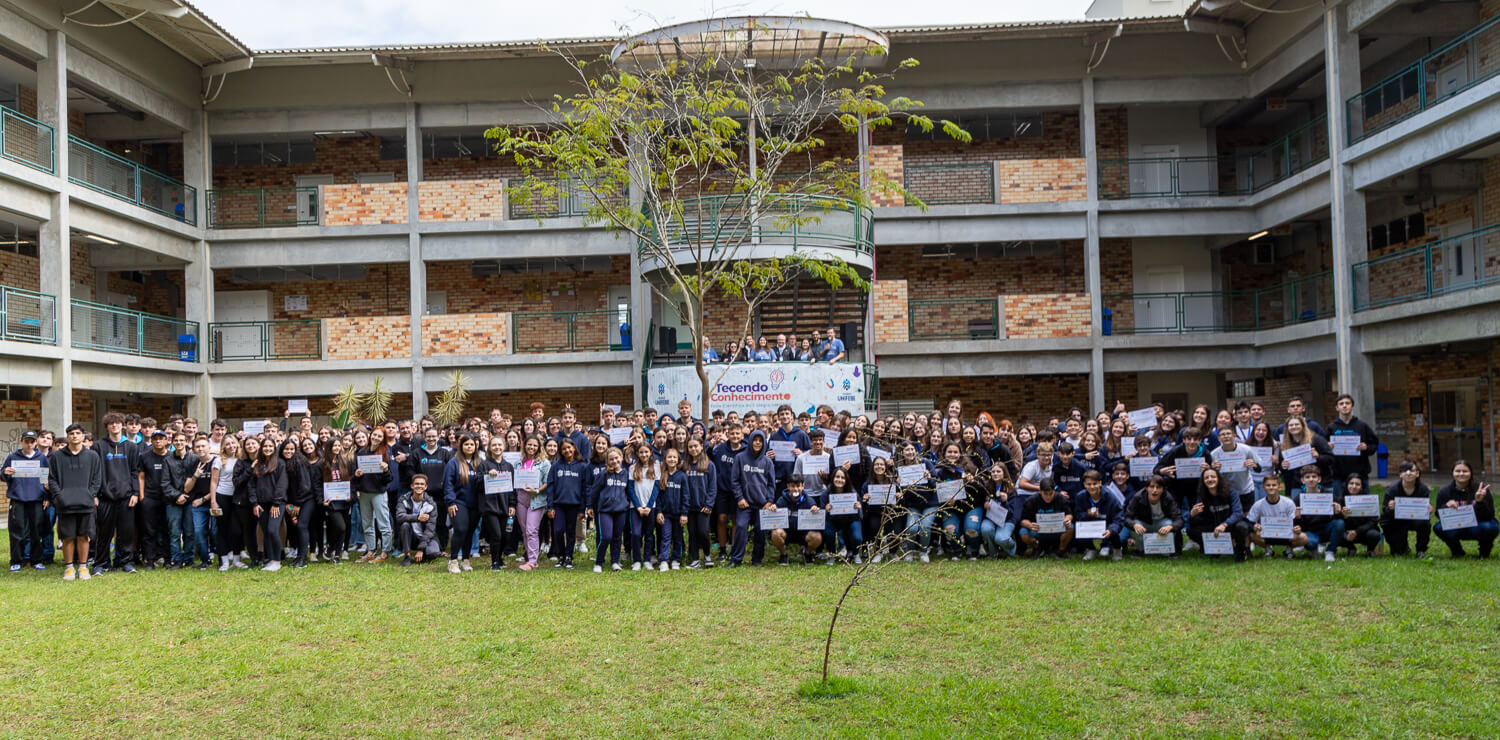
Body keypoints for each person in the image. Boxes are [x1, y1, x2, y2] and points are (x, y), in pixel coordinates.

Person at [49, 425, 101, 581]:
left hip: (85, 504)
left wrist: (89, 495)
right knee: (67, 537)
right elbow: (52, 479)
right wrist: (59, 496)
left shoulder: (92, 456)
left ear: (83, 436)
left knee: (84, 536)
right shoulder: (57, 457)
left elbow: (97, 480)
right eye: (71, 434)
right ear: (67, 436)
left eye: (78, 433)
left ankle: (83, 567)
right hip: (65, 504)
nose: (74, 436)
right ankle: (69, 567)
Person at [91, 413, 141, 574]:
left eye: (118, 423)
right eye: (111, 424)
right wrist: (95, 495)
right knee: (103, 533)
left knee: (126, 533)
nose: (115, 426)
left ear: (123, 425)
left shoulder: (132, 447)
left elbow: (135, 472)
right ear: (107, 426)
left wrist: (135, 493)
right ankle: (101, 563)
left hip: (126, 497)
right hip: (105, 497)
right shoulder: (98, 446)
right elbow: (94, 472)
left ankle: (125, 562)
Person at [4, 430, 51, 572]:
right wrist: (5, 472)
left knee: (36, 530)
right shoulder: (13, 457)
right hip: (18, 499)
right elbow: (3, 474)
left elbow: (45, 480)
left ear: (35, 442)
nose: (29, 444)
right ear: (21, 442)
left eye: (32, 441)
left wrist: (46, 497)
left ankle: (36, 560)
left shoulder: (41, 458)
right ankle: (16, 561)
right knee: (17, 531)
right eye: (26, 441)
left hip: (36, 499)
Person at [1431, 459, 1496, 559]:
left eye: (1465, 471)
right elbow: (1439, 516)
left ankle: (1484, 552)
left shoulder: (1481, 490)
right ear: (1453, 473)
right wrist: (1446, 506)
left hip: (1477, 525)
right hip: (1457, 526)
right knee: (1438, 527)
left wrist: (1479, 502)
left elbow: (1489, 516)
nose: (1461, 474)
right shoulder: (1445, 491)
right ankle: (1457, 551)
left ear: (1471, 473)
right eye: (1457, 471)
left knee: (1490, 526)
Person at [729, 429, 775, 567]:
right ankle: (736, 560)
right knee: (741, 527)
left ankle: (757, 559)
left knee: (760, 530)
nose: (757, 443)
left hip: (762, 504)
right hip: (745, 503)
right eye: (755, 440)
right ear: (750, 441)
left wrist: (769, 501)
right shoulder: (740, 458)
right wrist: (739, 498)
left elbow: (772, 484)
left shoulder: (767, 462)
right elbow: (735, 480)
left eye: (760, 441)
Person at [1185, 467, 1248, 562]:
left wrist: (1224, 524)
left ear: (1219, 478)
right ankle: (1211, 548)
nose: (1210, 479)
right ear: (1203, 481)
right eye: (1206, 478)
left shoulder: (1231, 492)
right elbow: (1196, 521)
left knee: (1242, 526)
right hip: (1213, 527)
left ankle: (1240, 552)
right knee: (1190, 530)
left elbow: (1238, 513)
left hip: (1229, 525)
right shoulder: (1202, 495)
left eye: (1213, 477)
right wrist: (1192, 515)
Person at [442, 434, 484, 573]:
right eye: (466, 444)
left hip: (476, 504)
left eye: (472, 444)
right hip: (458, 502)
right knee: (460, 529)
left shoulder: (480, 463)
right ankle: (453, 560)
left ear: (476, 446)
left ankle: (466, 560)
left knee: (470, 532)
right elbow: (448, 484)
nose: (469, 447)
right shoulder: (453, 463)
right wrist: (450, 502)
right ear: (461, 446)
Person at [587, 446, 631, 572]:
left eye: (616, 458)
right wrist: (592, 506)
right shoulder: (603, 474)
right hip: (605, 511)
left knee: (617, 537)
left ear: (621, 458)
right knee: (606, 537)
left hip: (620, 510)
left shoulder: (625, 474)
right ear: (607, 461)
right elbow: (594, 492)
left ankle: (615, 561)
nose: (614, 461)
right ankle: (599, 562)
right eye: (611, 459)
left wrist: (625, 504)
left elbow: (628, 492)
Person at [548, 439, 588, 570]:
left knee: (571, 532)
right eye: (564, 449)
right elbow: (550, 487)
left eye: (569, 448)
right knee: (558, 530)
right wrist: (550, 506)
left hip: (574, 505)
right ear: (561, 451)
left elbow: (584, 488)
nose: (567, 451)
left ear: (574, 448)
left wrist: (582, 508)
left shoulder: (582, 466)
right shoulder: (555, 466)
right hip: (559, 504)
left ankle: (569, 556)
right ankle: (560, 556)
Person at [249, 437, 288, 572]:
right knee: (266, 531)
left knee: (272, 530)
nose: (268, 449)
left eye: (270, 446)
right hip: (261, 504)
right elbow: (252, 485)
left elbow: (281, 485)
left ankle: (277, 561)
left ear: (274, 448)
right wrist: (254, 503)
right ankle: (270, 560)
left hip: (276, 504)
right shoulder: (257, 464)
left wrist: (276, 503)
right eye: (265, 446)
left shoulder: (280, 463)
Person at [1291, 465, 1343, 563]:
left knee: (1340, 523)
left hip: (1325, 529)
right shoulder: (1298, 499)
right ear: (1302, 480)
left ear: (1319, 479)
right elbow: (1295, 524)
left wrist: (1338, 512)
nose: (1311, 479)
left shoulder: (1328, 495)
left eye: (1314, 477)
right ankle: (1312, 549)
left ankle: (1330, 551)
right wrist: (1297, 518)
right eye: (1307, 477)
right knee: (1311, 542)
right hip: (1310, 531)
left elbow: (1340, 517)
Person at [163, 432, 200, 569]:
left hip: (190, 502)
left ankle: (189, 559)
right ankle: (176, 560)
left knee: (190, 532)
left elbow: (197, 482)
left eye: (181, 440)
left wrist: (187, 497)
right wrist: (177, 496)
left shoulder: (195, 459)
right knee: (174, 532)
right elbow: (165, 483)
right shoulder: (167, 460)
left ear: (186, 442)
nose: (179, 443)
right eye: (176, 440)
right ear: (172, 442)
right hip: (173, 502)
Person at [1245, 474, 1305, 558]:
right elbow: (1249, 522)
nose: (1271, 487)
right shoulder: (1258, 504)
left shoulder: (1288, 502)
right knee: (1252, 534)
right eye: (1268, 485)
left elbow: (1294, 521)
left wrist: (1296, 527)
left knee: (1303, 537)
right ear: (1263, 487)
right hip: (1267, 534)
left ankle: (1289, 549)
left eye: (1274, 485)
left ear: (1279, 487)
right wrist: (1255, 527)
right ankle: (1268, 549)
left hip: (1286, 534)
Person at [768, 475, 824, 565]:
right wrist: (773, 509)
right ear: (788, 486)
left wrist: (815, 511)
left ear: (803, 486)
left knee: (817, 537)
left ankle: (807, 553)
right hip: (787, 533)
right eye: (793, 486)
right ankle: (783, 554)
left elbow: (816, 521)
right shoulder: (782, 500)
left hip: (803, 534)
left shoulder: (809, 501)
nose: (795, 489)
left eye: (798, 486)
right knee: (775, 534)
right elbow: (774, 518)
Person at [1381, 461, 1431, 559]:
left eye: (1412, 471)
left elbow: (1424, 512)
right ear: (1400, 474)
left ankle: (1421, 550)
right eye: (1404, 471)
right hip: (1396, 519)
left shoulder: (1423, 489)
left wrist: (1428, 510)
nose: (1408, 473)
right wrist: (1391, 508)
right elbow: (1384, 511)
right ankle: (1402, 546)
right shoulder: (1392, 489)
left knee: (1425, 523)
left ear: (1417, 474)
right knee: (1398, 552)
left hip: (1415, 519)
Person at [1072, 470, 1125, 561]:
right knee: (1079, 528)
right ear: (1084, 484)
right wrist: (1086, 514)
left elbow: (1118, 518)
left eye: (1094, 484)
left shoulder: (1110, 496)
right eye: (1089, 484)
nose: (1092, 487)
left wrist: (1111, 530)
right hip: (1091, 525)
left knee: (1114, 532)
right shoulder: (1080, 497)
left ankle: (1117, 549)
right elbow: (1077, 516)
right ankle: (1091, 549)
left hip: (1107, 524)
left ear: (1100, 483)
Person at [1125, 475, 1182, 558]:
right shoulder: (1138, 497)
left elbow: (1179, 519)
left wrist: (1170, 527)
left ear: (1163, 489)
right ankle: (1140, 549)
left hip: (1162, 523)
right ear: (1147, 488)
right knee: (1135, 524)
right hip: (1144, 523)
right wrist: (1135, 525)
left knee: (1169, 523)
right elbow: (1127, 517)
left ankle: (1165, 549)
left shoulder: (1168, 498)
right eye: (1152, 487)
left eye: (1158, 487)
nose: (1155, 490)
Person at [1326, 394, 1379, 484]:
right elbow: (1322, 447)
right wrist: (1328, 447)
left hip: (1360, 474)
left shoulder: (1362, 426)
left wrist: (1366, 447)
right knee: (1338, 498)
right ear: (1337, 408)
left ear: (1352, 406)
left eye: (1347, 403)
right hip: (1338, 475)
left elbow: (1374, 445)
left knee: (1361, 498)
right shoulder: (1331, 427)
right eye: (1341, 404)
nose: (1344, 406)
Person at [682, 437, 717, 568]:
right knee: (692, 533)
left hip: (703, 506)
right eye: (690, 447)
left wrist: (709, 504)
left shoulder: (709, 465)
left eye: (696, 446)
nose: (693, 449)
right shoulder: (685, 465)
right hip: (689, 506)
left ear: (702, 446)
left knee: (702, 531)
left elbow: (713, 487)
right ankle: (695, 559)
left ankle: (707, 555)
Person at [1019, 481, 1073, 559]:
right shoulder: (1031, 500)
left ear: (1054, 491)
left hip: (1057, 529)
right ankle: (1038, 549)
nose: (1048, 497)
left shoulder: (1060, 498)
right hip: (1038, 530)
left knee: (1071, 527)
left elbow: (1069, 514)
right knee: (1023, 532)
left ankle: (1061, 550)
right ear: (1040, 491)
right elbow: (1023, 520)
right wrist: (1030, 525)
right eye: (1045, 494)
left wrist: (1067, 520)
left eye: (1051, 494)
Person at [395, 474, 440, 565]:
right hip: (411, 536)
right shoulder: (403, 500)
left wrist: (421, 549)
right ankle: (407, 555)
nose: (419, 486)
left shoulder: (431, 504)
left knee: (433, 553)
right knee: (404, 524)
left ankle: (422, 553)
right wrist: (417, 518)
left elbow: (430, 529)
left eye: (422, 484)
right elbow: (399, 516)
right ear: (412, 486)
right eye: (416, 484)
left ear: (426, 487)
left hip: (425, 536)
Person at [657, 447, 687, 570]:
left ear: (678, 460)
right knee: (666, 536)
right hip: (666, 514)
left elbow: (686, 496)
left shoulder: (682, 476)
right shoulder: (662, 475)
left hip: (679, 514)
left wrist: (684, 513)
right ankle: (664, 560)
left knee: (678, 537)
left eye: (674, 457)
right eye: (669, 457)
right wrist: (659, 511)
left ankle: (676, 560)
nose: (672, 459)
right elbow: (658, 496)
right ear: (665, 459)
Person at [1338, 475, 1382, 557]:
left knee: (1374, 534)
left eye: (1357, 484)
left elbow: (1373, 521)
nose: (1354, 486)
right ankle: (1351, 548)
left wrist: (1357, 531)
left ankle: (1370, 550)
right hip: (1347, 533)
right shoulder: (1340, 500)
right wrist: (1343, 516)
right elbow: (1335, 521)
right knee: (1335, 532)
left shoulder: (1369, 500)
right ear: (1347, 485)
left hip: (1364, 532)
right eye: (1351, 483)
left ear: (1362, 487)